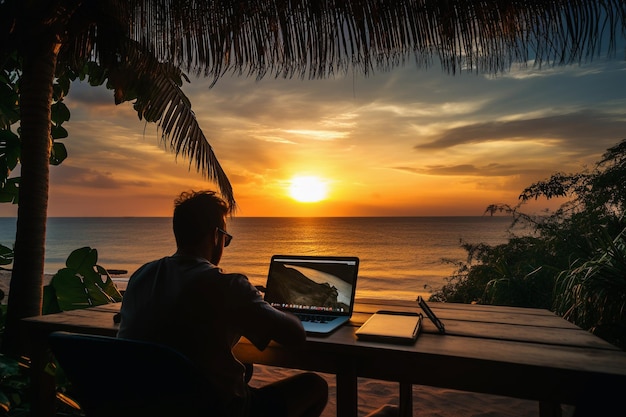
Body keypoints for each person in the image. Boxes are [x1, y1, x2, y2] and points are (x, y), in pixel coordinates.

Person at [117, 190, 328, 417]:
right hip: (216, 409)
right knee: (315, 386)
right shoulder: (228, 286)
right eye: (226, 239)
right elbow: (295, 336)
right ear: (216, 236)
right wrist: (270, 305)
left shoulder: (141, 275)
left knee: (244, 367)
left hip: (150, 404)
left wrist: (248, 301)